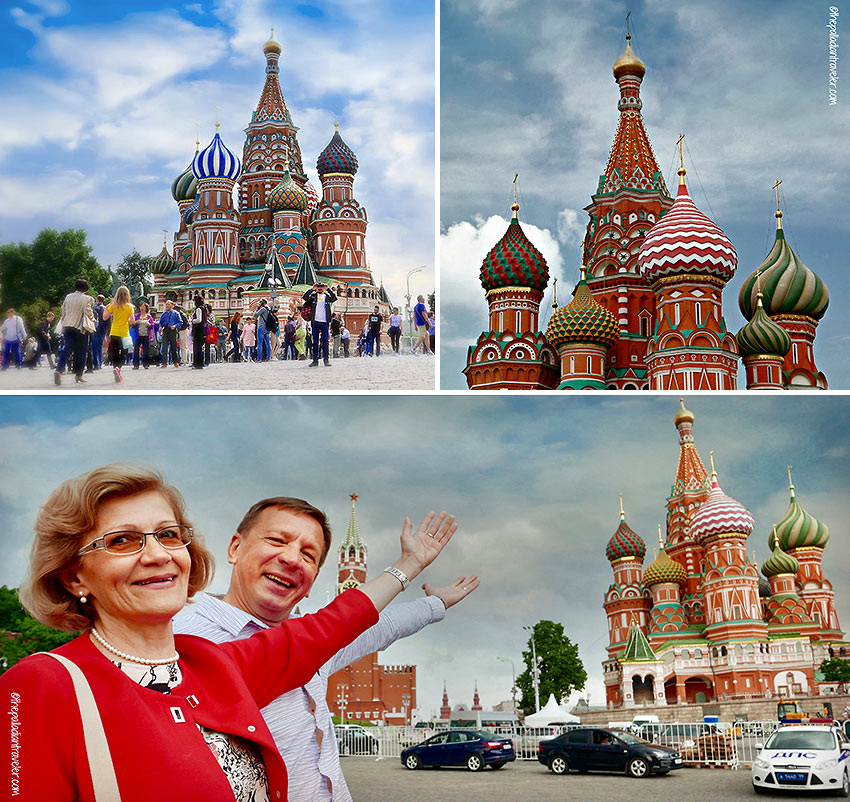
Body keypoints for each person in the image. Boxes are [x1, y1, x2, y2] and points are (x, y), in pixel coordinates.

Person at [1, 464, 458, 802]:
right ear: (73, 577)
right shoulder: (41, 684)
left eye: (168, 534)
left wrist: (415, 575)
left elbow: (336, 627)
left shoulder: (212, 665)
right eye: (122, 540)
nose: (158, 554)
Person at [175, 496, 478, 802]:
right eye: (277, 540)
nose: (292, 559)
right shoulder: (180, 641)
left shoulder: (321, 644)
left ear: (311, 583)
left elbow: (383, 626)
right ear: (235, 548)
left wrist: (435, 603)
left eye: (308, 555)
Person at [54, 278, 95, 385]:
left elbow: (63, 310)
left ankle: (59, 369)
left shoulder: (68, 297)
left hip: (67, 326)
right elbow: (88, 312)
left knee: (67, 349)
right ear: (85, 288)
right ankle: (79, 374)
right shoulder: (87, 298)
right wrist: (93, 320)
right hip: (80, 327)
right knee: (82, 351)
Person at [102, 286, 134, 383]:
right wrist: (126, 320)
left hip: (114, 332)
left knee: (115, 352)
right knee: (124, 353)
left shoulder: (113, 305)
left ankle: (115, 367)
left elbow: (104, 317)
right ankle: (118, 369)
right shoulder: (130, 307)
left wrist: (106, 308)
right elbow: (132, 321)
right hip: (124, 333)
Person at [302, 282, 337, 367]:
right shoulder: (313, 297)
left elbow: (334, 298)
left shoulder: (327, 297)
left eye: (322, 287)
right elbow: (305, 297)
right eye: (319, 287)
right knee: (315, 342)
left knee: (325, 341)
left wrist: (328, 289)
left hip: (325, 322)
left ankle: (326, 360)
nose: (320, 288)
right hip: (315, 322)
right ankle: (315, 360)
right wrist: (312, 289)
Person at [158, 300, 181, 368]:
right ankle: (164, 363)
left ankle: (175, 362)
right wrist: (160, 327)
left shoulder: (176, 313)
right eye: (166, 304)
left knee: (174, 348)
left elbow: (180, 322)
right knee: (164, 348)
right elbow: (160, 322)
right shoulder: (164, 314)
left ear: (172, 305)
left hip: (173, 331)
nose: (167, 306)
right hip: (165, 330)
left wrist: (175, 326)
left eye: (168, 304)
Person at [132, 303, 154, 370]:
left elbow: (152, 325)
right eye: (141, 306)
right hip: (138, 335)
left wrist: (149, 324)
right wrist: (135, 322)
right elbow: (132, 325)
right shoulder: (137, 316)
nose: (142, 308)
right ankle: (136, 365)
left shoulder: (149, 316)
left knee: (146, 350)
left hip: (146, 335)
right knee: (136, 350)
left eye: (143, 306)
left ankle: (146, 364)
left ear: (146, 308)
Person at [190, 294, 207, 369]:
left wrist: (192, 321)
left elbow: (199, 320)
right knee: (199, 347)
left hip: (198, 330)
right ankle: (200, 363)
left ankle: (197, 363)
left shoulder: (198, 309)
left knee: (197, 347)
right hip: (201, 329)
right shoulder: (203, 308)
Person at [91, 294, 107, 370]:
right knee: (100, 346)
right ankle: (100, 363)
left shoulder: (94, 308)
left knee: (94, 347)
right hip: (103, 330)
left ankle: (96, 364)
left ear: (97, 300)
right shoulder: (105, 308)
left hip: (95, 329)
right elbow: (108, 320)